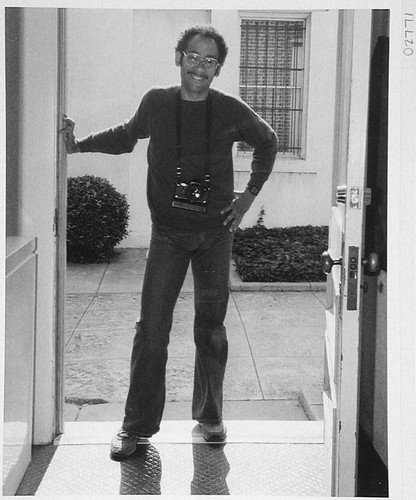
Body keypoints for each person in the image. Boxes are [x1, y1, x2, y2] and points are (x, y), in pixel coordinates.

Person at [61, 24, 278, 461]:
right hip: (169, 236)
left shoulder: (229, 109)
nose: (200, 67)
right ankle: (135, 428)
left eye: (210, 60)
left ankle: (211, 417)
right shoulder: (157, 103)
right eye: (194, 56)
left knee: (210, 329)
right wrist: (77, 145)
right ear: (179, 57)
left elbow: (268, 141)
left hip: (215, 235)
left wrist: (248, 196)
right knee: (152, 329)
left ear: (218, 68)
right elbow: (125, 136)